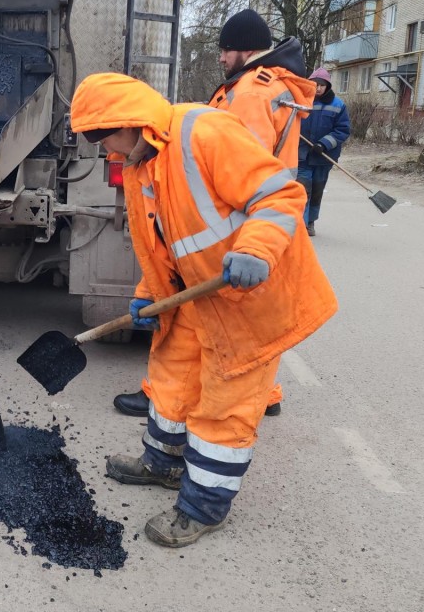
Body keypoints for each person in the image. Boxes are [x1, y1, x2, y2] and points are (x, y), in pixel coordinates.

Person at [72, 73, 337, 547]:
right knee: (171, 379)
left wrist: (256, 250)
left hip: (252, 297)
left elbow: (280, 194)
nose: (99, 147)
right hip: (197, 295)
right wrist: (147, 292)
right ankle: (164, 464)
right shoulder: (138, 165)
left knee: (224, 407)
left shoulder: (205, 132)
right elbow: (161, 245)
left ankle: (203, 507)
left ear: (129, 121)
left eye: (100, 133)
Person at [113, 9, 315, 420]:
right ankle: (265, 393)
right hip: (261, 222)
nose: (221, 58)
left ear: (247, 49)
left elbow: (238, 165)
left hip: (245, 224)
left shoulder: (254, 93)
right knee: (251, 320)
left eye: (226, 50)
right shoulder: (269, 86)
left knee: (208, 322)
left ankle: (176, 400)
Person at [298, 68, 351, 237]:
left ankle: (311, 221)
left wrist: (324, 144)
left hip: (323, 157)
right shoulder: (301, 101)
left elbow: (342, 130)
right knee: (302, 189)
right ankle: (302, 224)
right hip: (302, 155)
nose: (318, 88)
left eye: (322, 85)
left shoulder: (338, 105)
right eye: (315, 84)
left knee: (316, 191)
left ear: (327, 86)